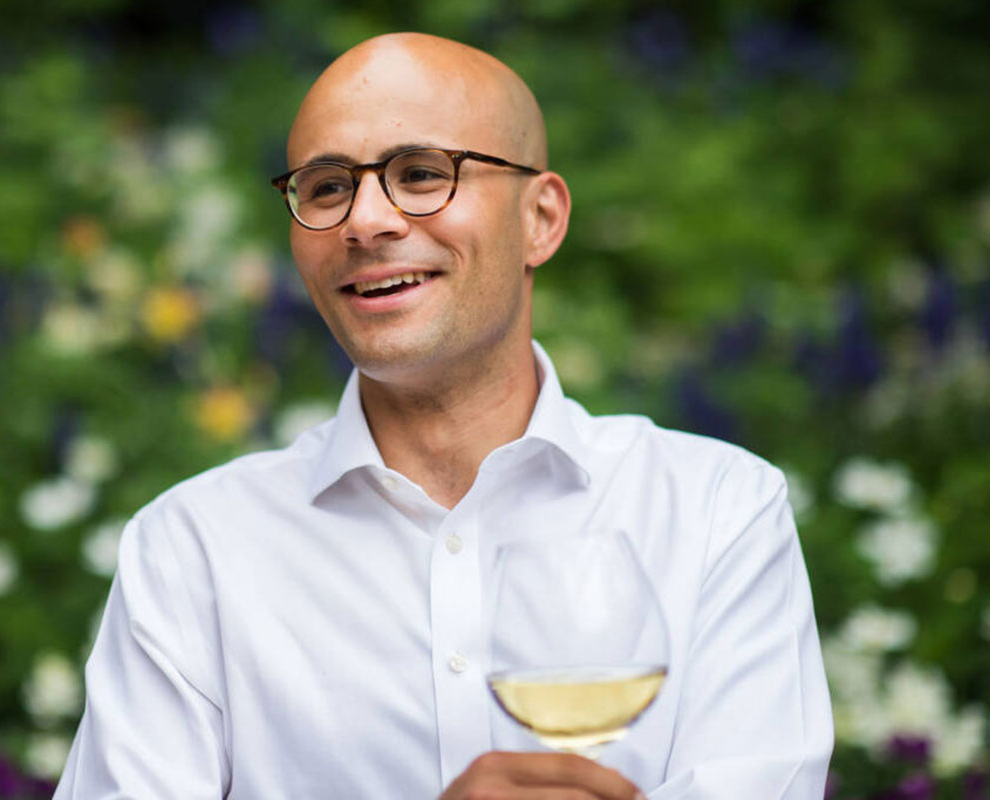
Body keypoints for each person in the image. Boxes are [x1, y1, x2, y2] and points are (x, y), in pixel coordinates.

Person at [55, 32, 833, 799]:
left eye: (421, 173)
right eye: (326, 188)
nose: (365, 220)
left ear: (541, 219)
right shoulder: (193, 551)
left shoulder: (715, 512)